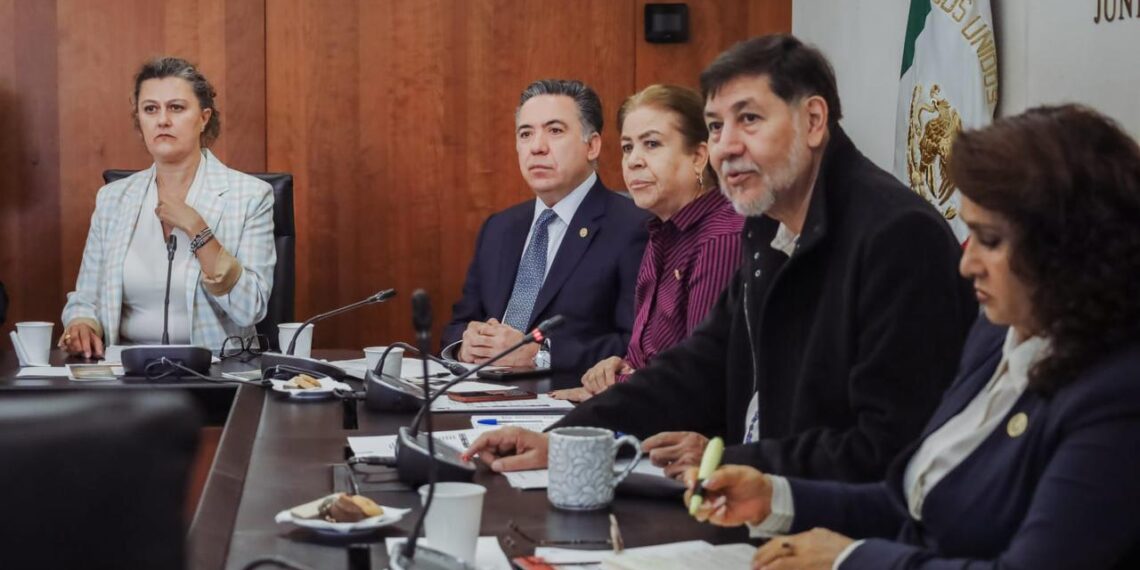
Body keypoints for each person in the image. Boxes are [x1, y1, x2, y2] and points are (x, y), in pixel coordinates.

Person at [464, 35, 975, 481]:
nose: (725, 146)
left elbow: (887, 447)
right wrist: (564, 439)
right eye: (714, 126)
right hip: (763, 499)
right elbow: (699, 365)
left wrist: (733, 462)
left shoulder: (896, 235)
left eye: (748, 119)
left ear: (813, 120)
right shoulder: (768, 223)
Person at [685, 105, 1140, 570]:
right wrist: (776, 498)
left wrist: (850, 560)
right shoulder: (994, 335)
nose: (967, 264)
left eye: (990, 240)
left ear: (1071, 244)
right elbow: (915, 505)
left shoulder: (1116, 395)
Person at [60, 57, 275, 357]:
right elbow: (86, 298)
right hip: (126, 374)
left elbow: (250, 308)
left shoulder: (250, 196)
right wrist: (82, 322)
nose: (162, 120)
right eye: (150, 109)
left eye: (176, 107)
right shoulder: (113, 199)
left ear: (203, 118)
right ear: (140, 121)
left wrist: (198, 231)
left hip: (216, 373)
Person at [551, 84, 742, 402]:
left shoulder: (720, 239)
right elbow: (656, 357)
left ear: (698, 156)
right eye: (627, 147)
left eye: (651, 144)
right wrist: (621, 366)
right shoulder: (660, 233)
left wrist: (617, 391)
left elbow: (699, 377)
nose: (634, 161)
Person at [442, 79, 649, 372]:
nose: (537, 147)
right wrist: (465, 344)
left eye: (555, 131)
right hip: (477, 397)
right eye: (525, 134)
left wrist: (540, 356)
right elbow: (459, 323)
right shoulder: (499, 228)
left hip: (567, 403)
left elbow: (637, 344)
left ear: (592, 146)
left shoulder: (634, 226)